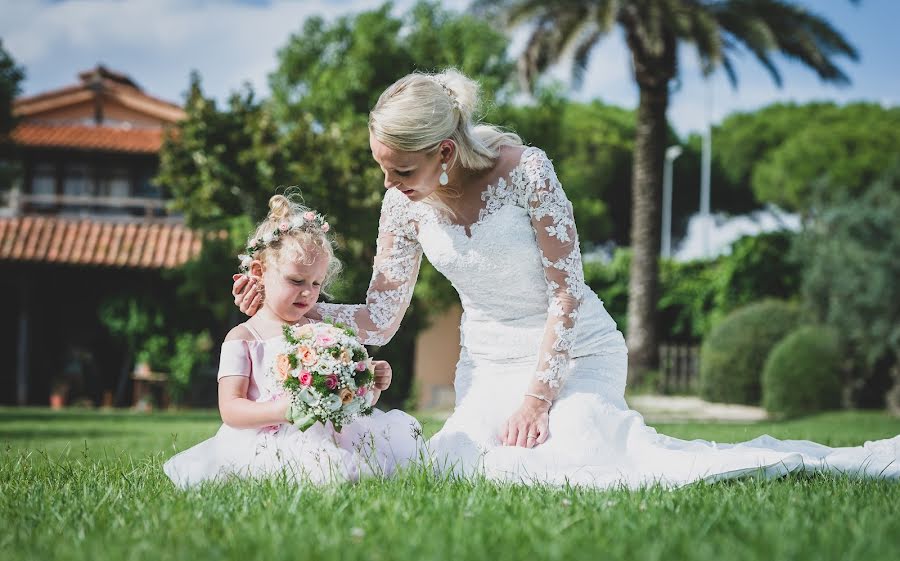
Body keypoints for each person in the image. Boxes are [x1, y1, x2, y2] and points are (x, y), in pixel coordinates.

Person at [233, 70, 899, 487]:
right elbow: (380, 319)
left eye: (400, 170)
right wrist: (296, 308)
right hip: (489, 366)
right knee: (474, 469)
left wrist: (537, 401)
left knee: (584, 457)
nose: (389, 185)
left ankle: (826, 462)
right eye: (382, 169)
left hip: (574, 353)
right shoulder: (400, 206)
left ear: (442, 152)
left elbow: (566, 295)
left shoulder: (527, 173)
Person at [165, 194, 422, 489]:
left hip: (330, 432)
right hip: (271, 436)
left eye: (316, 284)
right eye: (296, 281)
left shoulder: (322, 332)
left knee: (364, 466)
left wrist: (368, 385)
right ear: (260, 273)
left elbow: (344, 402)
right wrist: (281, 411)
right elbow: (231, 409)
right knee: (321, 473)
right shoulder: (244, 338)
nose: (308, 293)